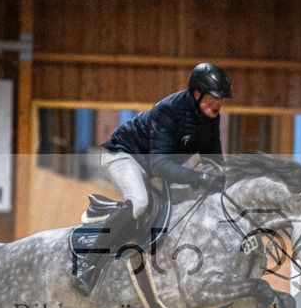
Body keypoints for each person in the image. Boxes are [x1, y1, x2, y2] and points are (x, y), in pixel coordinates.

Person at [72, 62, 233, 296]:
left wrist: (227, 181)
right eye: (214, 98)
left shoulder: (210, 117)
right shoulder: (169, 111)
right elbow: (159, 166)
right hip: (123, 155)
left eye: (222, 99)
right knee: (139, 202)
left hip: (152, 167)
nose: (219, 103)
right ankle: (89, 264)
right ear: (197, 94)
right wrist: (200, 177)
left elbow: (215, 161)